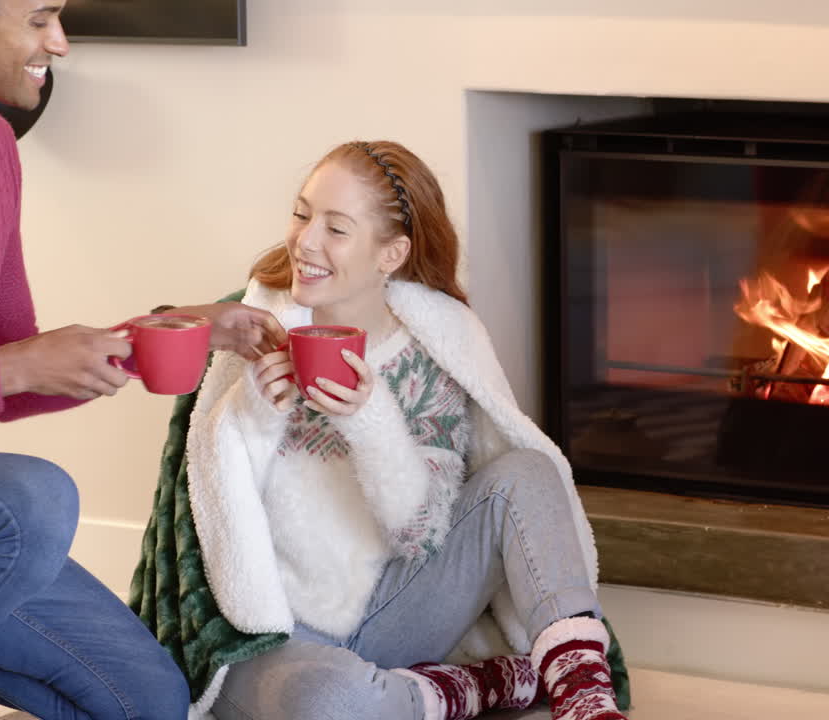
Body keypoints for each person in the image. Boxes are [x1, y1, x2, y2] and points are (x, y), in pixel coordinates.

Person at [0, 1, 284, 718]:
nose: (59, 43)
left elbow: (17, 368)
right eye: (39, 19)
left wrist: (170, 332)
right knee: (37, 500)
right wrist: (14, 367)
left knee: (151, 699)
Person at [130, 140, 630, 720]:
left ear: (390, 254)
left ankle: (584, 698)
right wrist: (257, 411)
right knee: (330, 702)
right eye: (301, 213)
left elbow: (420, 535)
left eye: (336, 228)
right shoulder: (250, 326)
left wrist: (369, 417)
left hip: (397, 610)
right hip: (274, 636)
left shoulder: (434, 350)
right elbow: (213, 515)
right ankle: (463, 689)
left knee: (528, 471)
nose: (305, 240)